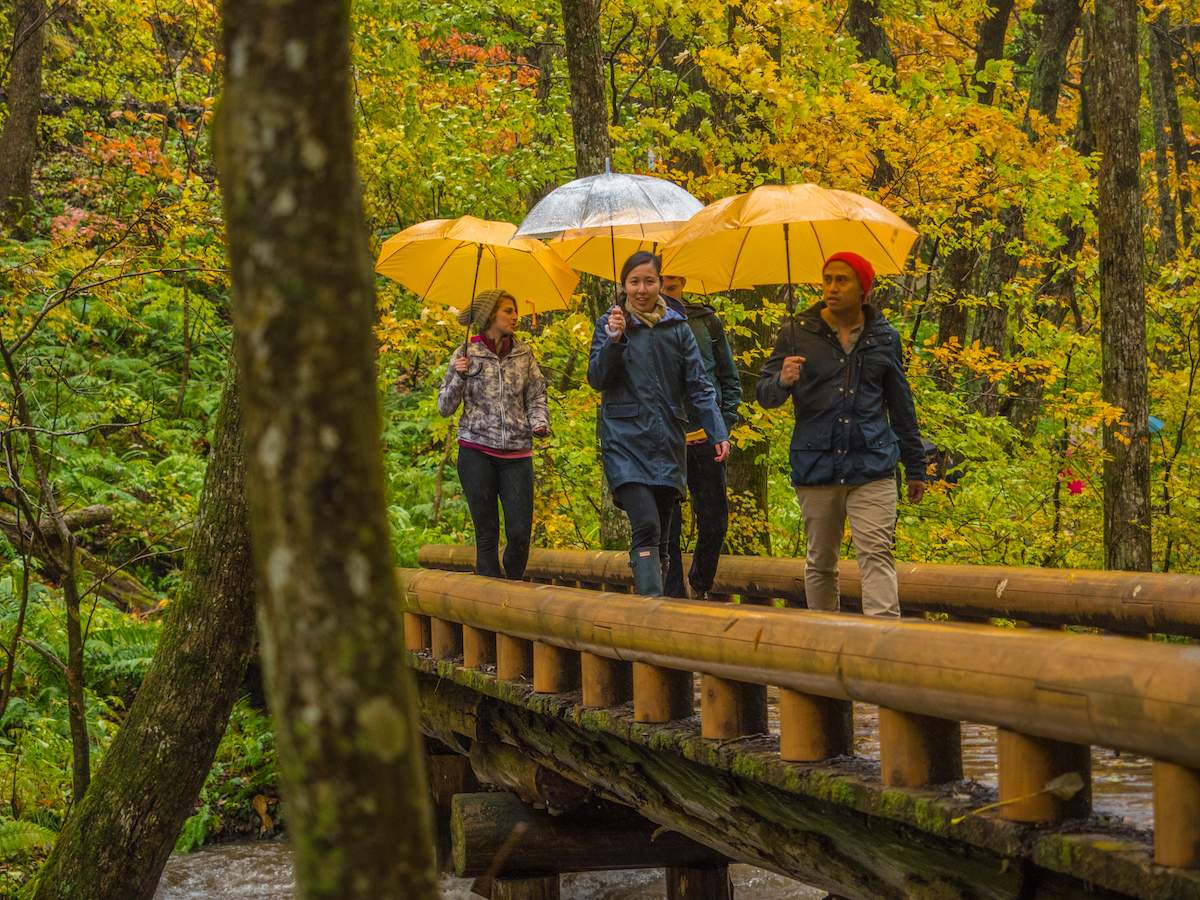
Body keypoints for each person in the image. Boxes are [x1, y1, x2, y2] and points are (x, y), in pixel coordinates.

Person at [756, 252, 925, 618]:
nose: (831, 287)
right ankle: (823, 639)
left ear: (864, 288)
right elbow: (765, 395)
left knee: (876, 554)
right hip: (816, 464)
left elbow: (901, 404)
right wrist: (782, 380)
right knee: (820, 561)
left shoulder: (885, 337)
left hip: (872, 464)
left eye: (841, 280)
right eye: (827, 279)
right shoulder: (796, 333)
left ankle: (882, 641)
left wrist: (916, 467)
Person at [588, 252, 731, 597]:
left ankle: (662, 608)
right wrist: (614, 341)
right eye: (634, 282)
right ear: (624, 286)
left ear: (659, 284)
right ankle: (650, 610)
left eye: (649, 281)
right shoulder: (610, 323)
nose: (642, 289)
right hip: (624, 442)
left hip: (668, 440)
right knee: (647, 525)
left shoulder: (678, 327)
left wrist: (717, 431)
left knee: (664, 537)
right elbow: (597, 378)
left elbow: (699, 384)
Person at [437, 289, 549, 580]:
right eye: (508, 311)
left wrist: (539, 423)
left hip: (517, 454)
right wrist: (459, 376)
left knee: (520, 535)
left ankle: (511, 589)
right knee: (486, 536)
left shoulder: (524, 353)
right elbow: (444, 407)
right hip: (476, 452)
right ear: (489, 316)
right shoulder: (466, 353)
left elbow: (536, 395)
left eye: (515, 311)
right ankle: (490, 600)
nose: (515, 316)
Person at [659, 273, 741, 601]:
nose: (667, 291)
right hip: (667, 442)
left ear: (683, 283)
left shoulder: (706, 321)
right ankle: (673, 598)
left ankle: (699, 584)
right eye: (661, 285)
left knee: (715, 523)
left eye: (673, 285)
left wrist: (725, 423)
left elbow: (728, 376)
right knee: (669, 528)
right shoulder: (641, 325)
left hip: (707, 439)